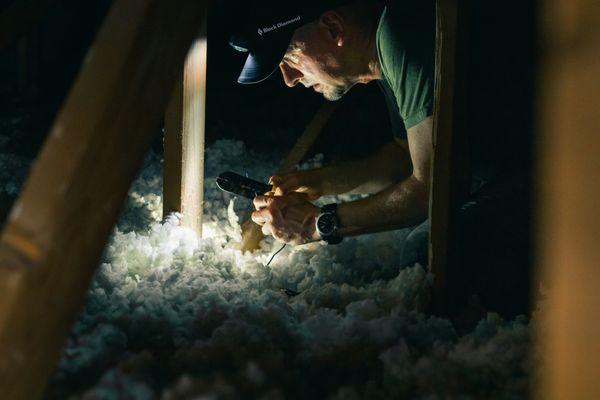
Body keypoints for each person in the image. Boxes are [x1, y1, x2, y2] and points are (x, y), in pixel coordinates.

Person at [229, 0, 531, 318]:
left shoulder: (402, 33)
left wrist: (316, 224)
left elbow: (433, 189)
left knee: (429, 256)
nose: (289, 78)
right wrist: (318, 182)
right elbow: (405, 155)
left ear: (334, 28)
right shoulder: (386, 43)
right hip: (520, 171)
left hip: (564, 174)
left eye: (289, 58)